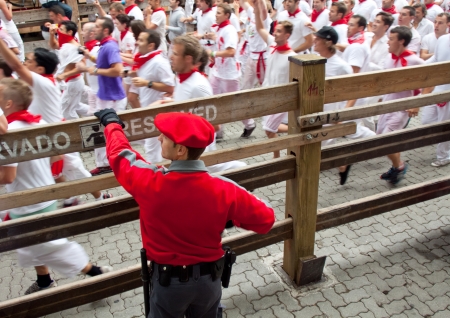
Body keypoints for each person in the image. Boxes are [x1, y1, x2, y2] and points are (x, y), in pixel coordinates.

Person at [95, 110, 274, 318]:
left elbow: (121, 156)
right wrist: (229, 219)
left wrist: (112, 125)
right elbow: (266, 219)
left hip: (168, 285)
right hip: (209, 282)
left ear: (180, 150)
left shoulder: (151, 183)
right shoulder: (225, 189)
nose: (159, 137)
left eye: (165, 136)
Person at [0, 78, 113, 294]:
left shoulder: (10, 133)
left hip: (28, 203)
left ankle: (96, 273)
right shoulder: (38, 123)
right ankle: (44, 280)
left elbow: (7, 176)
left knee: (52, 248)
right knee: (29, 245)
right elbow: (57, 156)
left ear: (8, 104)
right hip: (44, 195)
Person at [0, 35, 113, 206]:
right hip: (45, 134)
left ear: (39, 69)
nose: (24, 63)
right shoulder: (36, 81)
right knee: (54, 170)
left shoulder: (41, 83)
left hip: (58, 135)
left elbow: (15, 65)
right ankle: (70, 199)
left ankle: (101, 197)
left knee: (76, 170)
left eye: (29, 61)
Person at [77, 17, 126, 176]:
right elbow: (102, 62)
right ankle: (106, 163)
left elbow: (117, 70)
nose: (93, 31)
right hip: (106, 95)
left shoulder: (110, 46)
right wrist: (89, 59)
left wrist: (95, 71)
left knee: (111, 130)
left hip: (111, 97)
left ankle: (112, 163)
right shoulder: (105, 46)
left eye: (97, 27)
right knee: (103, 129)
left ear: (105, 30)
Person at [377, 26, 424, 184]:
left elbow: (429, 82)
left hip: (403, 107)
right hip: (388, 103)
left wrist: (417, 104)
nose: (387, 42)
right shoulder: (389, 58)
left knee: (386, 139)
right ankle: (396, 167)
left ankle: (399, 167)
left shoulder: (414, 60)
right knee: (380, 138)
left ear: (401, 41)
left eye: (391, 39)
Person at [253, 0, 295, 158]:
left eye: (278, 31)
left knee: (269, 129)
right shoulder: (271, 44)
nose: (275, 33)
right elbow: (260, 28)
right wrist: (257, 10)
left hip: (280, 98)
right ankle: (277, 156)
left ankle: (278, 155)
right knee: (269, 130)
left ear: (287, 35)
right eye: (275, 30)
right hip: (268, 94)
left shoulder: (292, 57)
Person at [129, 30, 175, 162]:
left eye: (141, 40)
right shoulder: (144, 60)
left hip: (158, 111)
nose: (137, 42)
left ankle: (158, 176)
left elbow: (170, 87)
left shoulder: (159, 62)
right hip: (149, 110)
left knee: (152, 149)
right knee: (153, 148)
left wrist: (147, 83)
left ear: (151, 46)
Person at [207, 3, 240, 139]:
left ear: (227, 15)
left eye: (219, 13)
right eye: (216, 13)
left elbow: (231, 51)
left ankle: (249, 123)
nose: (216, 15)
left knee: (234, 103)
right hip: (217, 72)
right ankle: (217, 131)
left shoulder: (229, 30)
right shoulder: (220, 29)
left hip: (229, 73)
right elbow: (219, 41)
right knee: (213, 101)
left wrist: (214, 54)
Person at [420, 17, 450, 167]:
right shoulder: (443, 39)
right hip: (439, 88)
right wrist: (419, 67)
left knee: (443, 125)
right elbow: (436, 59)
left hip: (448, 91)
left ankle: (443, 155)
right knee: (427, 120)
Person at [49, 21, 89, 120]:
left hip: (74, 81)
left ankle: (77, 131)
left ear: (70, 32)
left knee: (66, 111)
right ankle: (99, 113)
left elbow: (83, 65)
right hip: (70, 81)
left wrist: (65, 74)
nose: (59, 31)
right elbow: (53, 46)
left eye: (61, 30)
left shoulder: (76, 47)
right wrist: (51, 35)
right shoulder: (65, 43)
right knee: (75, 106)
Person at [78, 22, 101, 115]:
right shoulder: (88, 48)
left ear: (91, 34)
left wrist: (85, 68)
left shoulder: (97, 48)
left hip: (101, 91)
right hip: (93, 89)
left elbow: (103, 66)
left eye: (84, 30)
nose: (81, 33)